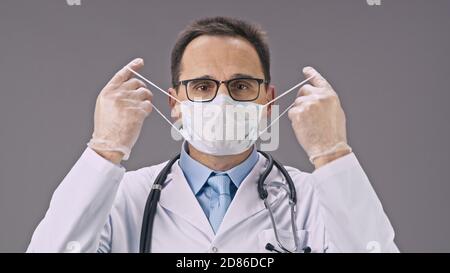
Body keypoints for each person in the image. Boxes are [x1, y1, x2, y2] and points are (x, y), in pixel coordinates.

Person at [27, 16, 398, 253]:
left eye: (240, 85)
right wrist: (103, 149)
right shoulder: (124, 198)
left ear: (269, 101)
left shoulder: (312, 199)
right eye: (202, 86)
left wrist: (333, 154)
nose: (221, 99)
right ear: (174, 102)